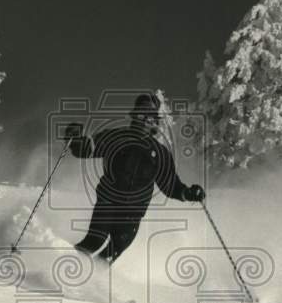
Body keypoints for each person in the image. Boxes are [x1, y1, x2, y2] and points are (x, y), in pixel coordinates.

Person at [63, 92, 205, 263]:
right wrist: (75, 140)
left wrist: (188, 193)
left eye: (151, 117)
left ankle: (90, 280)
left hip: (134, 211)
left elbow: (170, 186)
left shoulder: (160, 153)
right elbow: (87, 149)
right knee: (95, 240)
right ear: (134, 116)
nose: (145, 120)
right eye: (141, 114)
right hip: (109, 202)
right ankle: (63, 260)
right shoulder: (116, 137)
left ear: (156, 121)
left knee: (114, 250)